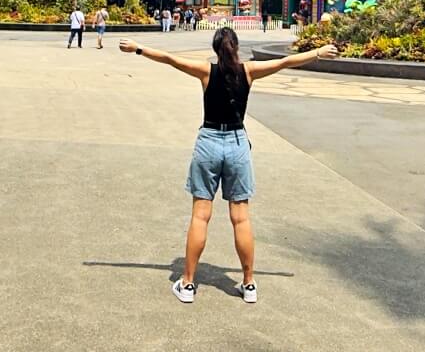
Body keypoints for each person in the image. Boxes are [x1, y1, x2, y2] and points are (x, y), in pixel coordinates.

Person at [118, 29, 338, 304]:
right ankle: (248, 284)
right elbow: (284, 62)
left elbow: (169, 58)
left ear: (215, 48)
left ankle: (187, 284)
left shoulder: (205, 71)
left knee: (200, 215)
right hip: (236, 142)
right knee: (241, 217)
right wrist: (318, 53)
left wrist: (138, 48)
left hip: (209, 141)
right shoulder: (250, 71)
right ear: (236, 47)